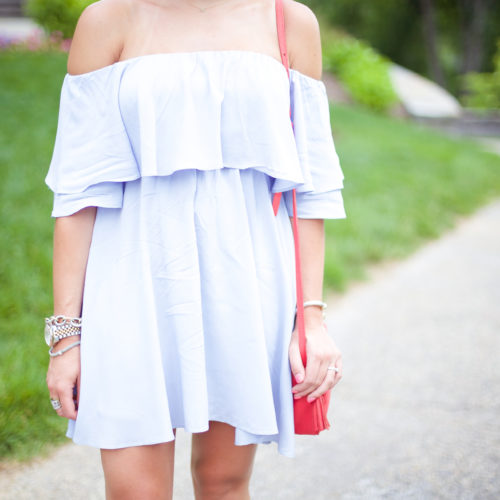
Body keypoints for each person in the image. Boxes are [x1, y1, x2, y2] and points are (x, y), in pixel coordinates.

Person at [44, 0, 345, 498]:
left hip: (245, 283)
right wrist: (66, 338)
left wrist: (310, 318)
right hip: (130, 283)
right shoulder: (108, 19)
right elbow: (78, 192)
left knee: (222, 483)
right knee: (134, 491)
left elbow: (311, 188)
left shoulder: (289, 21)